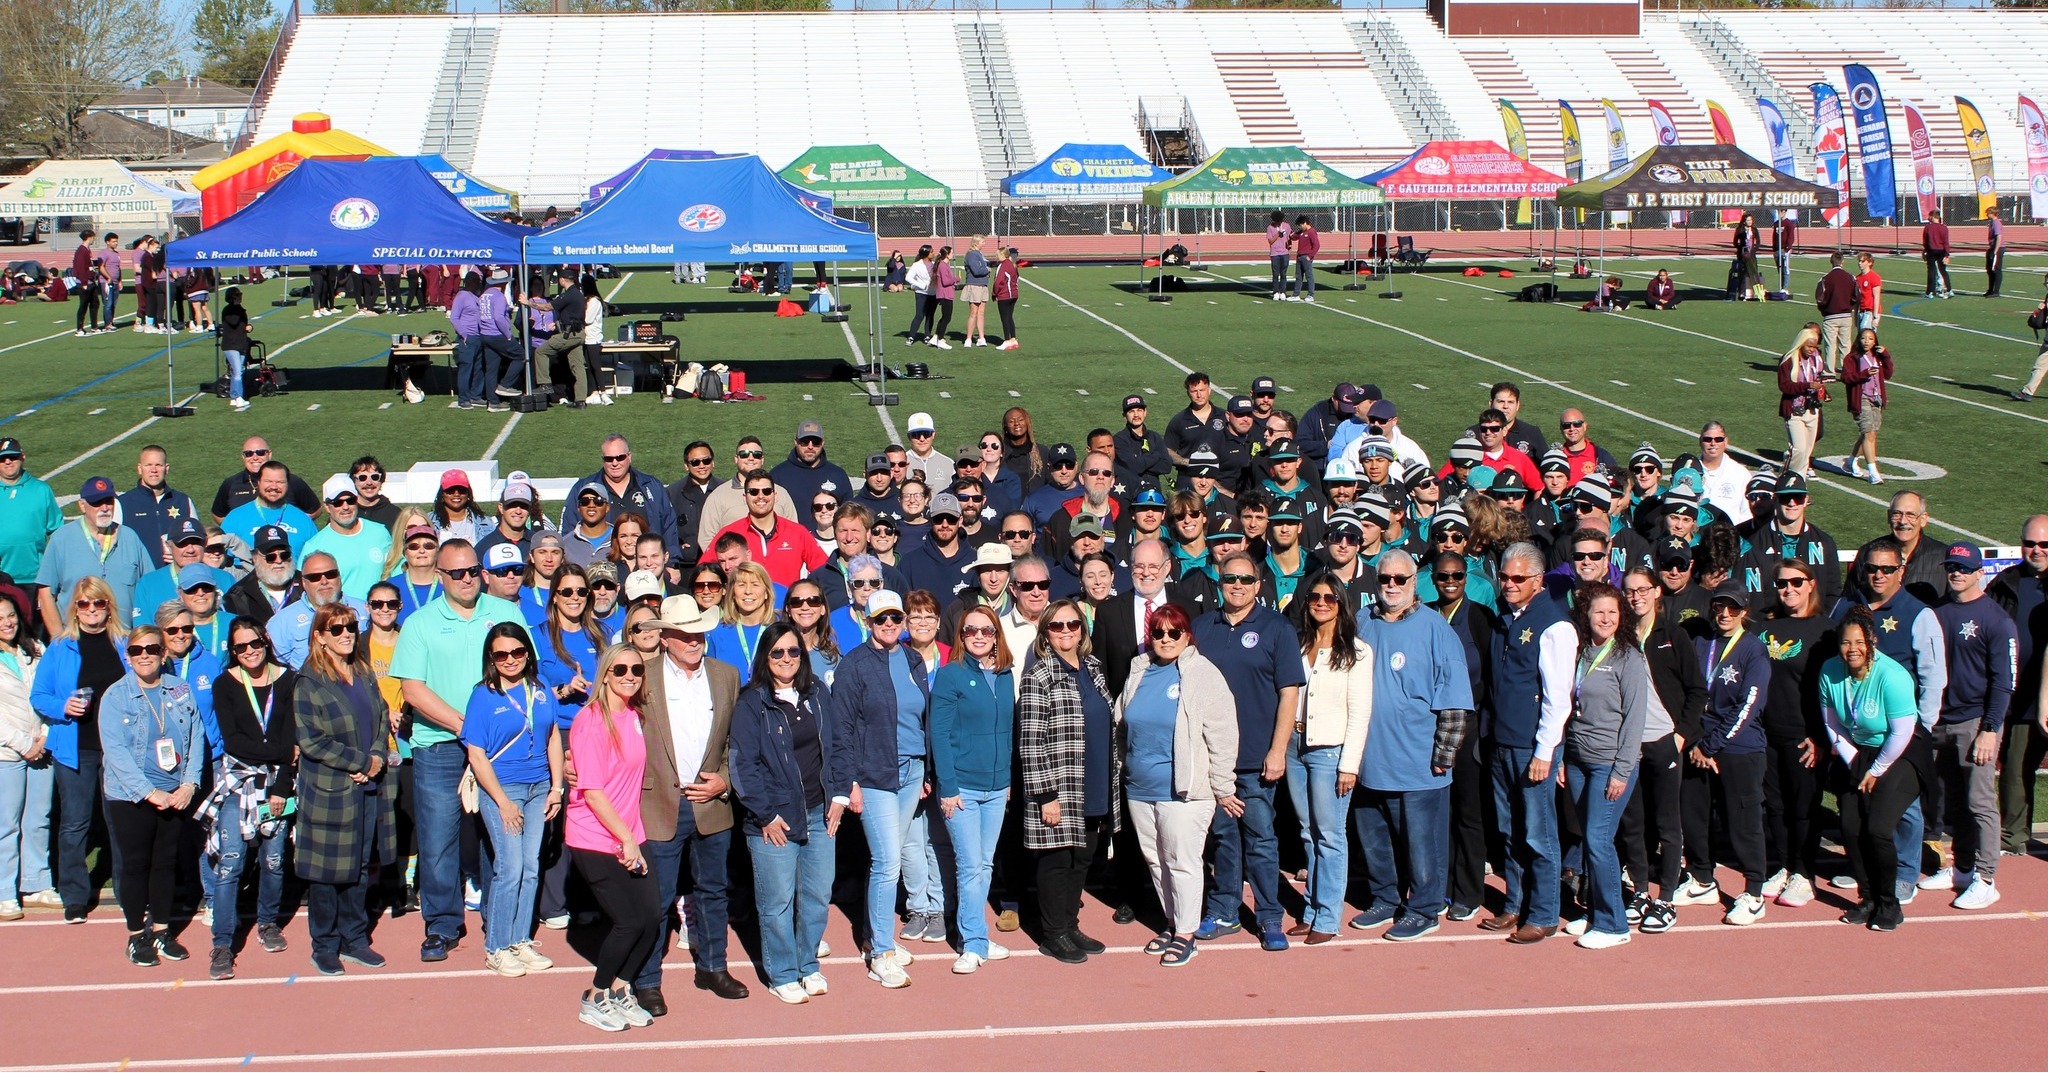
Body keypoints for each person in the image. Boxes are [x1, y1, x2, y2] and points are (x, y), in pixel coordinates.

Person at [389, 539, 524, 963]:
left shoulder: (506, 613)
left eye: (472, 571)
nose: (467, 579)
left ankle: (497, 918)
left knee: (496, 833)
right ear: (440, 576)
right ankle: (442, 925)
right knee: (438, 840)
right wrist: (467, 726)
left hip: (500, 748)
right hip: (440, 746)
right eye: (457, 573)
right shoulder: (420, 623)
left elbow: (524, 672)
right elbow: (412, 688)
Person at [630, 594, 747, 1011]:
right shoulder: (639, 677)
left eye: (698, 632)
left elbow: (739, 741)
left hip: (712, 803)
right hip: (658, 803)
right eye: (683, 634)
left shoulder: (727, 675)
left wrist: (725, 782)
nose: (693, 640)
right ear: (665, 638)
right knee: (656, 900)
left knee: (713, 891)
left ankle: (713, 968)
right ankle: (646, 980)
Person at [1109, 601, 1235, 968]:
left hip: (1184, 791)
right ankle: (1171, 920)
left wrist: (1223, 786)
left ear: (1186, 635)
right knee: (1155, 860)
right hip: (1139, 787)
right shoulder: (1139, 669)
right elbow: (1121, 721)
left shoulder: (1202, 674)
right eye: (1158, 632)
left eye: (1173, 632)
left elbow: (1223, 734)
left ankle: (1186, 934)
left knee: (1182, 860)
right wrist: (1121, 766)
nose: (1165, 639)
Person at [1190, 553, 1302, 950]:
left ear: (1258, 585)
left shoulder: (1277, 628)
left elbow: (1289, 693)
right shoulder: (1202, 628)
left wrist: (1278, 750)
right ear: (1219, 584)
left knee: (1261, 839)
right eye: (1229, 579)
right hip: (1213, 760)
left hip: (1257, 758)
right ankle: (1224, 910)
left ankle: (1269, 915)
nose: (1236, 585)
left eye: (1245, 579)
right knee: (1221, 838)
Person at [825, 588, 936, 987]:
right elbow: (843, 730)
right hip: (873, 777)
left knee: (894, 857)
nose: (889, 625)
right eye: (880, 619)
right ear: (868, 622)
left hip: (910, 772)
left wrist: (924, 769)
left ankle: (880, 936)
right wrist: (849, 782)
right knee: (887, 863)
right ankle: (881, 952)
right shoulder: (854, 665)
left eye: (895, 618)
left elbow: (921, 718)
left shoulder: (912, 659)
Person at [729, 622, 844, 1004]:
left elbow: (839, 746)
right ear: (765, 657)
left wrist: (839, 798)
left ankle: (807, 965)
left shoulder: (818, 694)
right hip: (774, 820)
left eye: (793, 651)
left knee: (816, 896)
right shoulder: (751, 704)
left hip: (819, 813)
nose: (785, 659)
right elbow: (743, 766)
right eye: (777, 652)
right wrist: (764, 815)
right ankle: (782, 973)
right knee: (776, 901)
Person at [457, 621, 564, 978]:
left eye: (517, 651)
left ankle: (519, 939)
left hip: (538, 789)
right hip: (503, 790)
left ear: (527, 652)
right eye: (501, 654)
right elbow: (476, 754)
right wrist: (502, 801)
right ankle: (497, 946)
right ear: (491, 657)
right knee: (510, 868)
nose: (510, 659)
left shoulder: (541, 688)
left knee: (531, 867)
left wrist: (557, 788)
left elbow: (552, 739)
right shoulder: (483, 695)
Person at [564, 642, 661, 1030]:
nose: (629, 677)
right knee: (627, 921)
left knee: (652, 918)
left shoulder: (634, 715)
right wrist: (626, 838)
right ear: (605, 673)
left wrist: (630, 835)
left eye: (636, 671)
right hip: (595, 836)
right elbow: (592, 790)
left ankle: (622, 988)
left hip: (629, 833)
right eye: (620, 670)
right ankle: (596, 995)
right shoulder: (591, 721)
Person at [292, 602, 393, 974]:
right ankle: (324, 944)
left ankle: (355, 938)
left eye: (350, 626)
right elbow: (312, 741)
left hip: (368, 786)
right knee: (325, 874)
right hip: (330, 792)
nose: (347, 634)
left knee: (360, 868)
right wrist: (360, 762)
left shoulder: (364, 673)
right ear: (319, 636)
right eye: (336, 629)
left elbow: (381, 717)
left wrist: (377, 756)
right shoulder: (308, 682)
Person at [1017, 598, 1119, 964]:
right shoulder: (1039, 675)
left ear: (1082, 630)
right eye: (1057, 626)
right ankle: (1053, 932)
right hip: (1060, 787)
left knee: (1083, 857)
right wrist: (1046, 795)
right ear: (1045, 632)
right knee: (1056, 861)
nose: (1066, 631)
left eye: (1072, 625)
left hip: (1093, 781)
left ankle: (1069, 923)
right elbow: (1030, 741)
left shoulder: (1092, 668)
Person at [1481, 543, 1574, 945]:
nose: (1509, 584)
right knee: (1509, 830)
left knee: (1539, 832)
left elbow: (1558, 696)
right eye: (1504, 577)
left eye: (1519, 578)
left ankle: (1544, 912)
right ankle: (1515, 904)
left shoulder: (1554, 624)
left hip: (1531, 746)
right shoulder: (1507, 616)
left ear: (1538, 580)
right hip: (1502, 740)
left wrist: (1545, 750)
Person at [98, 623, 205, 965]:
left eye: (151, 649)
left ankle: (160, 930)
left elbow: (197, 737)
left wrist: (188, 784)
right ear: (128, 656)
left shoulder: (179, 689)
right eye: (136, 650)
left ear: (163, 653)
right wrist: (148, 792)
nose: (144, 656)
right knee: (136, 864)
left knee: (164, 864)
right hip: (129, 795)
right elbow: (114, 751)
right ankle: (135, 935)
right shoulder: (115, 696)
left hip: (174, 793)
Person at [196, 616, 293, 978]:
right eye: (240, 647)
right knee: (231, 862)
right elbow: (234, 742)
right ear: (232, 651)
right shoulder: (225, 684)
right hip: (239, 782)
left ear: (265, 641)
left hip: (277, 785)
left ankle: (267, 922)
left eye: (254, 644)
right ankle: (222, 944)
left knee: (274, 861)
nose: (249, 652)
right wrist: (279, 752)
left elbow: (292, 738)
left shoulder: (288, 680)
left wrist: (282, 786)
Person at [1819, 606, 1926, 932]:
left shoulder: (1892, 676)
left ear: (1872, 642)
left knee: (1877, 829)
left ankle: (1889, 905)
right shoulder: (1829, 671)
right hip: (1858, 752)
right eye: (1845, 643)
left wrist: (1876, 770)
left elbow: (1902, 732)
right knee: (1850, 826)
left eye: (1859, 642)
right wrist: (1853, 761)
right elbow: (1832, 723)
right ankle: (1867, 898)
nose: (1852, 649)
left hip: (1901, 753)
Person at [28, 577, 126, 922]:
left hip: (119, 749)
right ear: (75, 610)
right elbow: (39, 696)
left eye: (97, 603)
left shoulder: (126, 645)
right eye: (84, 604)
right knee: (74, 823)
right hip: (76, 747)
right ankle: (74, 896)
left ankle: (129, 892)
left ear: (108, 605)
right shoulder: (60, 647)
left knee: (120, 822)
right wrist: (63, 707)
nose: (91, 610)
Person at [1558, 582, 1648, 949]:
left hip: (1610, 763)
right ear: (1587, 616)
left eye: (1613, 611)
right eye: (1599, 612)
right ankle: (1595, 911)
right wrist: (1564, 756)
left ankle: (1613, 924)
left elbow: (1635, 720)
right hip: (1578, 759)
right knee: (1587, 837)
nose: (1606, 618)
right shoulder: (1579, 652)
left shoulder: (1629, 657)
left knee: (1598, 839)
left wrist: (1622, 772)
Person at [1926, 543, 2015, 911]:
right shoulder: (1936, 613)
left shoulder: (1996, 620)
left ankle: (1986, 877)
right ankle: (1962, 867)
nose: (1956, 573)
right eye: (1951, 567)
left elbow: (2004, 680)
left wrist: (1990, 728)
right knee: (1953, 801)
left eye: (1964, 568)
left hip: (1974, 721)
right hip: (1939, 721)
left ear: (1980, 573)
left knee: (1981, 803)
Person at [928, 605, 1017, 973]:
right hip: (961, 787)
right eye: (970, 631)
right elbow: (939, 735)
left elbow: (1008, 732)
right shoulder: (950, 676)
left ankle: (975, 934)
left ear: (996, 635)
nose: (979, 636)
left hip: (996, 788)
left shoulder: (1006, 674)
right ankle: (973, 942)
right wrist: (947, 788)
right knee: (969, 865)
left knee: (983, 863)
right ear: (961, 637)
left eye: (986, 630)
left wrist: (1008, 779)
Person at [1618, 568, 1704, 935]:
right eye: (1629, 591)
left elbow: (1697, 691)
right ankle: (1639, 891)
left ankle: (1666, 897)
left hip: (1664, 742)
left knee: (1668, 822)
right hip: (1629, 746)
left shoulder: (1674, 636)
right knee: (1633, 823)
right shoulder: (1619, 639)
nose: (1635, 597)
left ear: (1656, 593)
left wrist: (1681, 736)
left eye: (1642, 590)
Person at [1754, 559, 1834, 912]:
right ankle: (1785, 865)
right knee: (1775, 805)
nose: (1789, 590)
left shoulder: (1825, 631)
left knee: (1803, 808)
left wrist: (1820, 736)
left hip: (1804, 736)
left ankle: (1805, 872)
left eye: (1797, 582)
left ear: (1811, 584)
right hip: (1765, 734)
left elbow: (1830, 691)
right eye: (1782, 583)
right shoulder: (1762, 627)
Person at [1691, 582, 1772, 925]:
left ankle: (1754, 892)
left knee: (1743, 824)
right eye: (1719, 606)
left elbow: (1749, 705)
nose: (1725, 614)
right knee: (1694, 817)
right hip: (1699, 746)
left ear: (1744, 612)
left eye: (1733, 608)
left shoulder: (1753, 649)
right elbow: (1691, 693)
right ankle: (1702, 879)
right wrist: (1696, 741)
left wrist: (1710, 745)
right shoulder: (1701, 642)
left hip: (1739, 749)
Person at [37, 476, 149, 638]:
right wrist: (58, 640)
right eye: (96, 503)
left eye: (109, 501)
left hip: (123, 641)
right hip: (76, 642)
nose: (104, 508)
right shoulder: (61, 539)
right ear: (82, 505)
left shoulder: (130, 537)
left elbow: (148, 588)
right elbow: (46, 593)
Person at [0, 594, 52, 921]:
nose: (6, 622)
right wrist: (22, 742)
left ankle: (36, 882)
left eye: (9, 615)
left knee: (38, 818)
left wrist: (44, 735)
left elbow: (48, 694)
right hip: (8, 751)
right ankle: (5, 891)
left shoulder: (35, 650)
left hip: (41, 748)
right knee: (6, 824)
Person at [0, 438, 63, 616]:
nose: (8, 461)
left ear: (22, 457)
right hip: (1, 577)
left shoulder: (41, 490)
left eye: (12, 456)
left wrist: (53, 573)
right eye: (2, 458)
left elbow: (57, 532)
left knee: (36, 633)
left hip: (35, 578)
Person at [530, 270, 591, 408]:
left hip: (568, 334)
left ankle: (545, 384)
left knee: (541, 351)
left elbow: (547, 307)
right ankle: (581, 400)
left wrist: (528, 304)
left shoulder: (569, 295)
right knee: (578, 366)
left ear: (563, 280)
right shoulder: (579, 294)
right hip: (578, 333)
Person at [1841, 329, 1894, 485]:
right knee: (1868, 432)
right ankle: (1873, 472)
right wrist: (1864, 374)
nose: (1866, 341)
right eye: (1863, 338)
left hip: (1876, 399)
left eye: (1870, 339)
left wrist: (1886, 355)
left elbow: (1888, 373)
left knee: (1870, 434)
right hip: (1861, 398)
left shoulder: (1877, 357)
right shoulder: (1852, 358)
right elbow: (1846, 377)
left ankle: (1851, 461)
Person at [1778, 323, 1830, 479]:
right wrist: (1807, 386)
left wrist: (1822, 389)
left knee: (1806, 452)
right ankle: (1786, 478)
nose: (1811, 349)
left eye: (1814, 347)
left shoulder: (1816, 359)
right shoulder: (1788, 360)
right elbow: (1784, 386)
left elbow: (1818, 376)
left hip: (1812, 410)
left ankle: (1799, 485)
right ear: (1801, 343)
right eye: (1809, 346)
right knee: (1799, 449)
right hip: (1794, 410)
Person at [1815, 251, 1857, 376]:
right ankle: (1847, 369)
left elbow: (1819, 298)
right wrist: (1850, 307)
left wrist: (1824, 310)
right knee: (1845, 344)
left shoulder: (1825, 278)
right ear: (1843, 262)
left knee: (1830, 344)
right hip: (1846, 315)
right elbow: (1856, 296)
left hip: (1830, 316)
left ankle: (1829, 371)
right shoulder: (1850, 277)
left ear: (1831, 262)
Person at [960, 236, 993, 348]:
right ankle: (968, 339)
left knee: (981, 313)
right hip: (974, 285)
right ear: (977, 242)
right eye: (983, 242)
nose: (985, 244)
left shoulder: (978, 253)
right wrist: (987, 270)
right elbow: (976, 270)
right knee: (973, 313)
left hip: (982, 285)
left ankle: (981, 338)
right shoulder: (972, 254)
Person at [903, 244, 934, 346]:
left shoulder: (934, 264)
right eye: (931, 252)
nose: (933, 253)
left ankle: (927, 335)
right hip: (921, 293)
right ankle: (911, 336)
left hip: (933, 293)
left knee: (930, 316)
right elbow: (908, 278)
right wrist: (920, 285)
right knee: (920, 315)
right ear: (926, 254)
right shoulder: (917, 265)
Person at [992, 247, 1021, 351]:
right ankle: (1013, 339)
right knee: (1009, 317)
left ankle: (1007, 340)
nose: (996, 257)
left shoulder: (1003, 265)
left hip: (1005, 295)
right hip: (1014, 294)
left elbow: (998, 282)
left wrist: (994, 293)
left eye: (998, 255)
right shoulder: (1012, 264)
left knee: (1005, 318)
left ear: (1003, 255)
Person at [1922, 209, 1953, 299]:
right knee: (1943, 271)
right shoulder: (1944, 227)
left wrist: (1925, 251)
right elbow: (1946, 242)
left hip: (1931, 251)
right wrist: (1947, 254)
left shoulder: (1928, 227)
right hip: (1941, 251)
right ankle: (1949, 290)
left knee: (1931, 272)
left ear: (1933, 217)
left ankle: (1930, 291)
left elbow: (1925, 241)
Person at [1733, 213, 1763, 302]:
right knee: (1743, 273)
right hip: (1743, 256)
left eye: (1751, 220)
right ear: (1744, 221)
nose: (1750, 222)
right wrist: (1741, 250)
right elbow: (1735, 242)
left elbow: (1758, 242)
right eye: (1748, 220)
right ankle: (1742, 293)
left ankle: (1754, 293)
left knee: (1753, 273)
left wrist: (1753, 250)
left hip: (1752, 255)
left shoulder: (1754, 230)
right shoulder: (1740, 230)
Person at [1290, 215, 1320, 303]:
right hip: (1299, 256)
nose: (1300, 227)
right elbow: (1295, 236)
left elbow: (1316, 245)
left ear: (1305, 223)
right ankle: (1296, 294)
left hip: (1306, 257)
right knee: (1298, 276)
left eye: (1300, 225)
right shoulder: (1302, 232)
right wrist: (1290, 234)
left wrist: (1310, 256)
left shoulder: (1311, 232)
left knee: (1309, 276)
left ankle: (1310, 295)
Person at [1265, 211, 1291, 301]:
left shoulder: (1286, 226)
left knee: (1283, 273)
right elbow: (1270, 241)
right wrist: (1278, 234)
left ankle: (1283, 291)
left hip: (1284, 253)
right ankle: (1275, 291)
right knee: (1275, 274)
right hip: (1275, 253)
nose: (1278, 222)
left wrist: (1289, 247)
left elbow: (1289, 237)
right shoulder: (1270, 228)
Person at [1772, 212, 1797, 296]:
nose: (1779, 213)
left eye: (1781, 211)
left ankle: (1785, 288)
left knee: (1785, 269)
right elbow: (1774, 237)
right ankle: (1781, 286)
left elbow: (1791, 237)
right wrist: (1774, 249)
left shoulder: (1789, 224)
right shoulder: (1776, 224)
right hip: (1777, 250)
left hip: (1785, 249)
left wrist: (1787, 247)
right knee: (1780, 269)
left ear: (1785, 212)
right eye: (1778, 211)